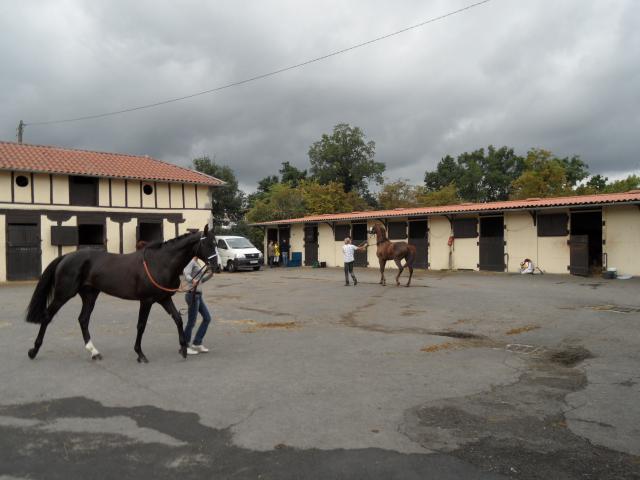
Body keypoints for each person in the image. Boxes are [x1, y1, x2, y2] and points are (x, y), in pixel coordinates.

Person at [183, 256, 214, 355]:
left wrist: (210, 274)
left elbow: (201, 280)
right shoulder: (191, 262)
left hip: (198, 296)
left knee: (207, 318)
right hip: (192, 295)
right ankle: (185, 346)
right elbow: (185, 273)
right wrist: (192, 280)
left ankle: (197, 343)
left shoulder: (197, 263)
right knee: (191, 322)